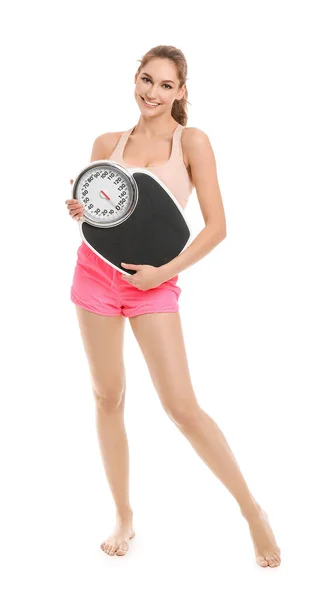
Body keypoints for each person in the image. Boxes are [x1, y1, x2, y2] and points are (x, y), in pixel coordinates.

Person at [65, 45, 281, 567]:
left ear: (181, 92)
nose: (152, 93)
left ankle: (253, 512)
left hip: (156, 283)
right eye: (146, 80)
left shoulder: (193, 142)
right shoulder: (106, 143)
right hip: (95, 278)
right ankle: (123, 516)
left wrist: (163, 274)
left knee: (181, 406)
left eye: (165, 85)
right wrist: (80, 210)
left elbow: (217, 227)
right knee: (107, 396)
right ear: (133, 80)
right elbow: (102, 217)